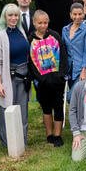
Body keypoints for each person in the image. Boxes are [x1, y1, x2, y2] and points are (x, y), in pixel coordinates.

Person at [0, 3, 31, 148]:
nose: (13, 18)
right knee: (6, 109)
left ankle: (22, 141)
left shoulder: (21, 32)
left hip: (24, 76)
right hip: (9, 77)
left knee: (23, 110)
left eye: (16, 15)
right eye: (10, 15)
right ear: (5, 17)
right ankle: (7, 142)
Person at [29, 10, 68, 146]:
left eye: (45, 22)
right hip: (42, 82)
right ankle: (49, 134)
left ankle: (57, 135)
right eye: (40, 23)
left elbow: (63, 56)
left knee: (58, 106)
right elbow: (31, 62)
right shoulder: (31, 40)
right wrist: (40, 78)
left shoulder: (55, 36)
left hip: (57, 80)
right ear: (34, 23)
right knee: (46, 107)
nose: (43, 25)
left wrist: (61, 74)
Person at [62, 3, 86, 98]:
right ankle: (75, 113)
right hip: (68, 69)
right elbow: (63, 49)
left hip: (80, 69)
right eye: (75, 14)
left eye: (80, 14)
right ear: (70, 14)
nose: (77, 17)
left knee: (71, 97)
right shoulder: (65, 29)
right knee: (77, 98)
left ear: (83, 14)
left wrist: (84, 70)